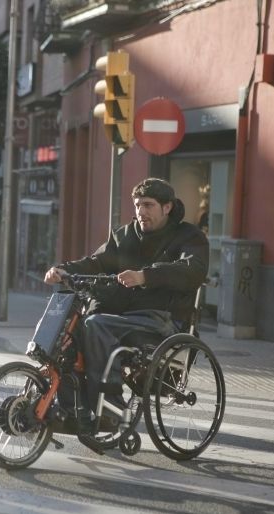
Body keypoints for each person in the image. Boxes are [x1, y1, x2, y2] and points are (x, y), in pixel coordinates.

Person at [43, 178, 208, 436]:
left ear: (167, 207)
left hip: (162, 319)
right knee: (71, 331)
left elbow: (193, 270)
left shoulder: (189, 236)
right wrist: (64, 269)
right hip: (125, 315)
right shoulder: (125, 234)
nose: (141, 211)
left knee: (96, 325)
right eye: (137, 205)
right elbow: (97, 262)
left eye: (148, 205)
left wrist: (146, 276)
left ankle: (111, 409)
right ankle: (71, 410)